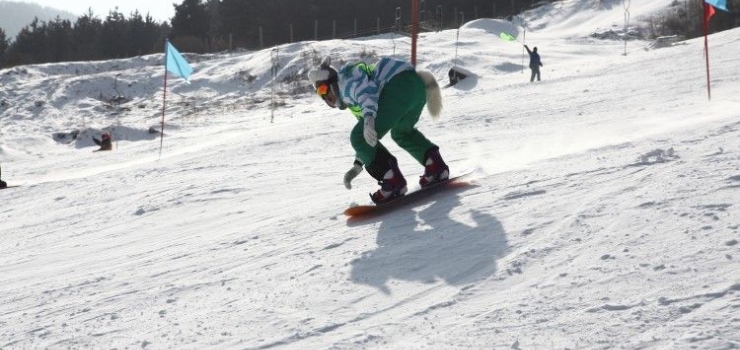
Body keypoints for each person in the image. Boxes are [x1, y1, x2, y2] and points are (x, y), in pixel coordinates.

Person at [307, 56, 449, 204]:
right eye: (319, 93)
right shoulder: (351, 93)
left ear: (332, 82)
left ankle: (392, 181)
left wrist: (368, 117)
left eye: (323, 88)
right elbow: (369, 137)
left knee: (357, 136)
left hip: (396, 86)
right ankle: (436, 166)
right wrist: (358, 165)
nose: (324, 96)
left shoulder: (346, 84)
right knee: (401, 133)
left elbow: (365, 93)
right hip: (416, 87)